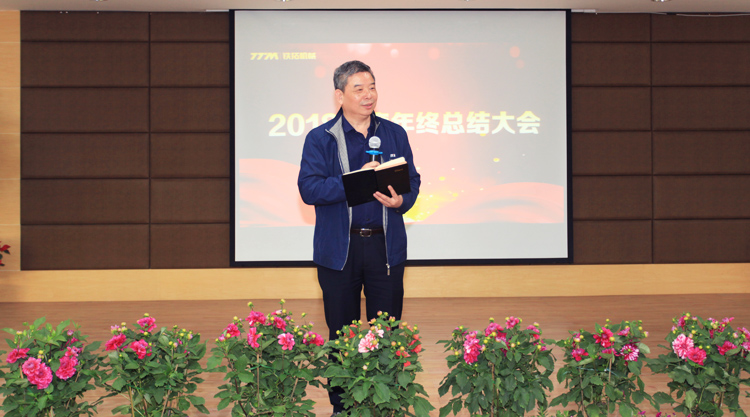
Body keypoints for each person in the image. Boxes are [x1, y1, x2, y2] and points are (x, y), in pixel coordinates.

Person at [297, 60, 421, 415]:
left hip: (385, 247)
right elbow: (309, 189)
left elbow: (412, 181)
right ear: (340, 95)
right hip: (340, 250)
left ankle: (386, 405)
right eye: (359, 89)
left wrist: (401, 201)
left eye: (372, 87)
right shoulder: (321, 138)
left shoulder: (394, 133)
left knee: (387, 332)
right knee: (342, 335)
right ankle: (343, 408)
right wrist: (356, 181)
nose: (369, 95)